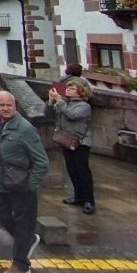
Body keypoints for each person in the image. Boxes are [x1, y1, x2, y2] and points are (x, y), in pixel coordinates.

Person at [0, 90, 49, 273]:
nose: (5, 108)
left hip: (21, 186)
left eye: (9, 105)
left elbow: (42, 162)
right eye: (1, 105)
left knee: (23, 223)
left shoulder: (25, 129)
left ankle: (21, 264)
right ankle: (27, 239)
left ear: (15, 106)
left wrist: (30, 184)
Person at [46, 80, 95, 214]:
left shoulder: (84, 106)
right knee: (72, 169)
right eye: (67, 88)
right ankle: (78, 197)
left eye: (71, 88)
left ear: (79, 92)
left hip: (81, 142)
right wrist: (51, 102)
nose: (67, 90)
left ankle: (89, 201)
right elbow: (48, 115)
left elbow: (72, 116)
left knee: (82, 171)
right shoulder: (63, 104)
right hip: (66, 140)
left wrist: (59, 101)